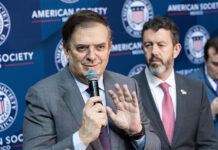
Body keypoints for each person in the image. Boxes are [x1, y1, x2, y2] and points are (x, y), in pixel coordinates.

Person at [22, 10, 160, 150]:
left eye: (100, 47)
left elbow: (155, 146)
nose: (92, 56)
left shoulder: (127, 85)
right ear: (66, 50)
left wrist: (137, 132)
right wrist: (81, 138)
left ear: (109, 48)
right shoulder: (42, 95)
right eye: (82, 48)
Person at [133, 16, 218, 150]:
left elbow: (208, 144)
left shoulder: (196, 89)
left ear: (176, 50)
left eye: (161, 45)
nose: (154, 51)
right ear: (143, 48)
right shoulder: (129, 89)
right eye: (148, 45)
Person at [188, 37, 218, 138]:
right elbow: (186, 129)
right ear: (205, 59)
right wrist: (210, 112)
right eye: (215, 64)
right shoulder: (190, 83)